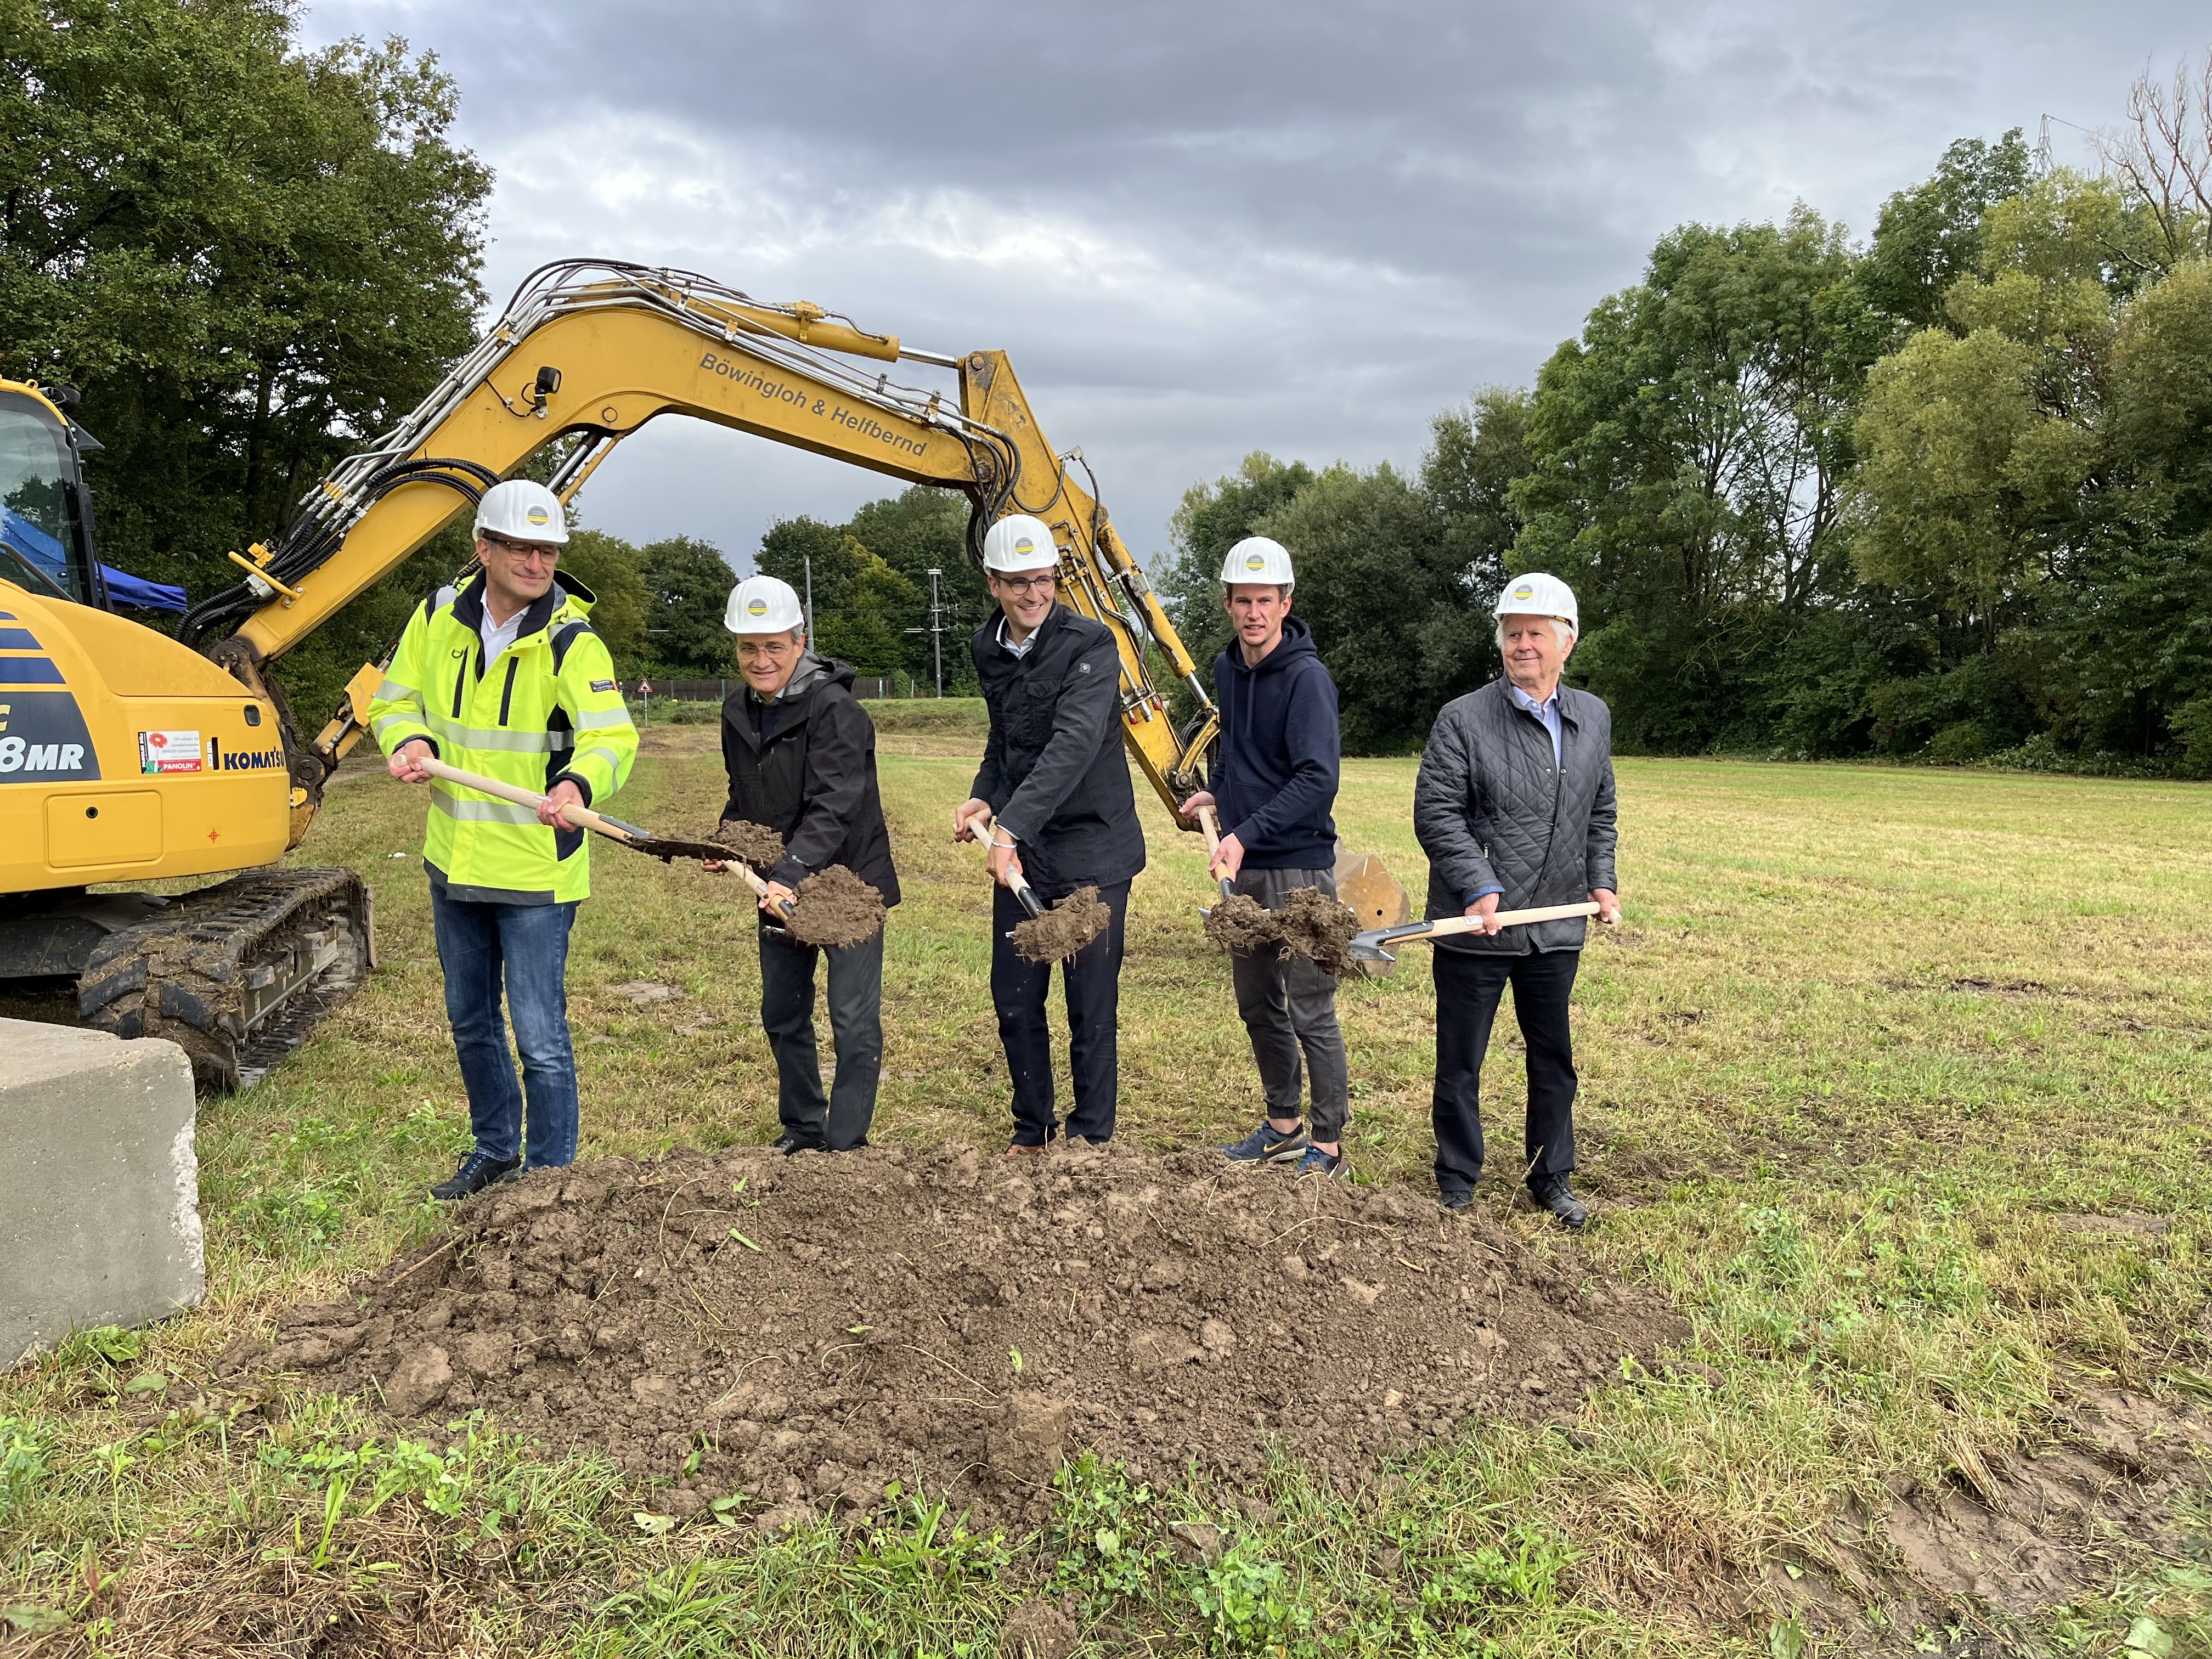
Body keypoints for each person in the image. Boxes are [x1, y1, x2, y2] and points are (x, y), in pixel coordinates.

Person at [370, 478, 637, 1200]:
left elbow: (613, 736)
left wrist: (578, 785)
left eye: (548, 549)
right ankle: (494, 1150)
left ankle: (551, 1181)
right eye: (521, 545)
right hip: (453, 862)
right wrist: (410, 737)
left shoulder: (573, 642)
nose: (536, 560)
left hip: (535, 874)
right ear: (483, 547)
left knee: (541, 1038)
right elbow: (395, 699)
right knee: (471, 1023)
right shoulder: (437, 617)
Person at [1412, 572, 1620, 1228]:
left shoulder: (1593, 718)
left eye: (1535, 634)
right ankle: (1457, 1179)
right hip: (1478, 925)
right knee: (1461, 1060)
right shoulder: (1463, 719)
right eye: (1512, 634)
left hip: (1555, 923)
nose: (1521, 645)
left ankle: (1550, 1175)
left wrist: (1601, 879)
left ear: (1567, 643)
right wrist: (1479, 884)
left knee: (1553, 1056)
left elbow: (1601, 810)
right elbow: (1436, 812)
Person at [953, 513, 1145, 1155]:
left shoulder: (1092, 645)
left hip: (1095, 845)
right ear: (993, 583)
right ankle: (1032, 1129)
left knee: (1089, 1001)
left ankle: (1091, 1138)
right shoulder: (987, 647)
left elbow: (1073, 745)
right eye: (1018, 583)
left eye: (1044, 580)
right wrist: (985, 793)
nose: (1034, 595)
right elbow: (1003, 737)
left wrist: (1006, 828)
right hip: (1024, 845)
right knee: (1014, 995)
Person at [1175, 536, 1350, 1178]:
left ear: (1286, 604)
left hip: (1299, 867)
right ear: (1228, 605)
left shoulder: (1307, 679)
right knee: (1258, 1003)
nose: (1254, 612)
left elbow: (1315, 780)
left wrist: (1245, 833)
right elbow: (1241, 757)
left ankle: (1328, 1145)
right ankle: (1283, 1127)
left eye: (1265, 601)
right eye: (1243, 600)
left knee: (1310, 1004)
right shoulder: (1228, 670)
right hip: (1243, 864)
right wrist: (1216, 796)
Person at [708, 574, 899, 1155]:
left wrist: (788, 873)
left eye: (773, 646)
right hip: (778, 884)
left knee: (852, 1019)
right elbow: (745, 791)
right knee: (782, 1013)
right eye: (748, 646)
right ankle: (803, 1126)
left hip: (847, 884)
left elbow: (835, 805)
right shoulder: (738, 708)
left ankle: (845, 1144)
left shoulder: (836, 710)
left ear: (800, 641)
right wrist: (728, 838)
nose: (760, 659)